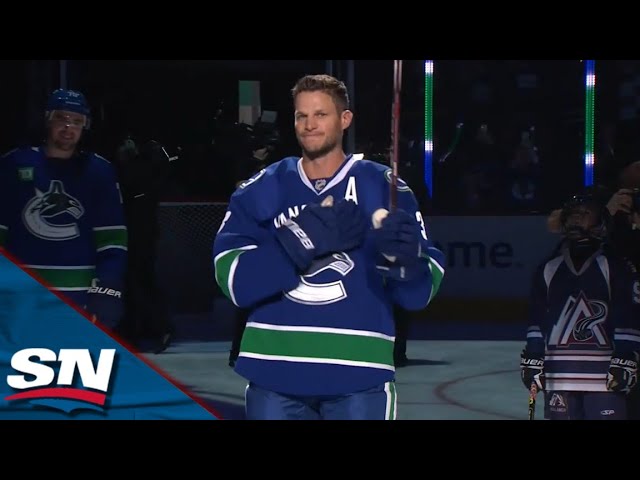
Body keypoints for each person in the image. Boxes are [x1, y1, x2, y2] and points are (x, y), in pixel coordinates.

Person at [213, 74, 445, 420]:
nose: (309, 125)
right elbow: (233, 282)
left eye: (320, 114)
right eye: (301, 116)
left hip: (359, 372)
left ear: (345, 119)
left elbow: (418, 294)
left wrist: (406, 264)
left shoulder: (384, 188)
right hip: (274, 372)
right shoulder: (261, 188)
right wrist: (298, 240)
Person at [0, 89, 127, 330]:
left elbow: (112, 239)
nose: (69, 127)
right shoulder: (14, 164)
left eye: (77, 121)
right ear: (48, 118)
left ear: (85, 126)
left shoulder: (99, 171)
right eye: (62, 118)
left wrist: (107, 288)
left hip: (78, 296)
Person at [522, 191, 640, 420]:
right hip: (560, 376)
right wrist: (534, 354)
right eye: (574, 215)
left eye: (584, 215)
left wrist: (625, 355)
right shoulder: (549, 268)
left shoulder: (616, 266)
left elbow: (628, 314)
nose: (577, 220)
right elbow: (537, 317)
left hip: (604, 376)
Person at [112, 137, 175, 353]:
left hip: (140, 237)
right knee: (134, 283)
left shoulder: (138, 178)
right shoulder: (135, 178)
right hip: (134, 236)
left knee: (140, 282)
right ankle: (140, 329)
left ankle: (153, 329)